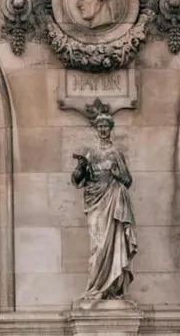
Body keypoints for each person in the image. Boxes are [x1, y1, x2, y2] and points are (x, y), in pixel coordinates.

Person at [72, 108, 136, 306]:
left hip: (114, 199)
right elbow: (76, 180)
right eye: (99, 126)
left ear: (110, 128)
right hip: (96, 202)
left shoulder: (117, 153)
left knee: (115, 243)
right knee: (98, 246)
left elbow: (127, 180)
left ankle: (113, 289)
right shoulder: (89, 152)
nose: (102, 129)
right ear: (96, 128)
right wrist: (81, 167)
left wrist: (118, 174)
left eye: (106, 126)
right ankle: (95, 288)